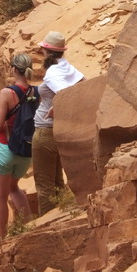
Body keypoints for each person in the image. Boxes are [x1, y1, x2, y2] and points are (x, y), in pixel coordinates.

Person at [33, 31, 85, 215]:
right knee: (57, 182)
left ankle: (46, 223)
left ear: (46, 50)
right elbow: (84, 84)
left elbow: (64, 93)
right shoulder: (67, 67)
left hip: (46, 132)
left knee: (44, 184)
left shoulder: (53, 72)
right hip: (61, 130)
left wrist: (57, 107)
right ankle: (61, 216)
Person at [0, 53, 35, 239]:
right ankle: (30, 230)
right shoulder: (35, 92)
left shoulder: (7, 93)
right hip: (25, 151)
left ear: (14, 69)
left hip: (5, 149)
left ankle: (3, 238)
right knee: (14, 188)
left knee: (0, 195)